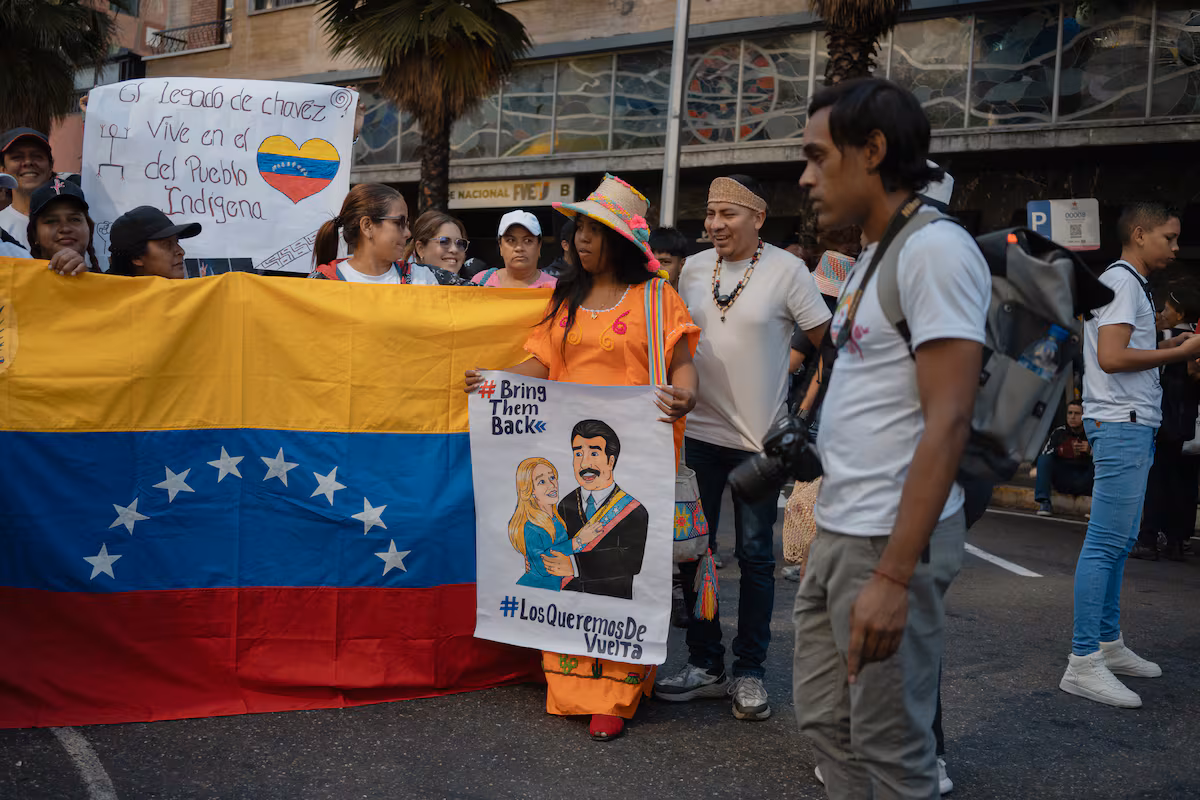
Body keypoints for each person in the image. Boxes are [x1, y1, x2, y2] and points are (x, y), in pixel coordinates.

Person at [791, 78, 990, 799]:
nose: (806, 177)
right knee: (826, 723)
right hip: (842, 529)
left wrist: (894, 577)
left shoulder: (934, 250)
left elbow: (949, 419)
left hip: (887, 541)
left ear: (872, 151)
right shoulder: (876, 253)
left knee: (891, 748)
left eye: (818, 157)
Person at [465, 173, 700, 742]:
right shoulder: (564, 299)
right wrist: (495, 382)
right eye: (579, 230)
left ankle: (616, 690)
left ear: (621, 240)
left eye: (594, 231)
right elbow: (542, 365)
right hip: (568, 457)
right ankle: (569, 683)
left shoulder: (658, 298)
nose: (580, 240)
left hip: (634, 460)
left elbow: (683, 366)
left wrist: (686, 396)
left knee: (619, 573)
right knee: (565, 566)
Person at [656, 174, 830, 722]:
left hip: (760, 445)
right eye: (710, 214)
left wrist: (801, 418)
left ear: (758, 218)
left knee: (755, 559)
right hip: (697, 439)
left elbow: (831, 347)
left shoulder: (788, 271)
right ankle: (706, 665)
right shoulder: (693, 270)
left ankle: (749, 671)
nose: (715, 224)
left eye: (727, 214)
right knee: (695, 553)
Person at [1060, 202, 1200, 709]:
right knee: (1105, 544)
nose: (1176, 248)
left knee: (1118, 543)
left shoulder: (1127, 283)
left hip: (1129, 424)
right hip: (1121, 424)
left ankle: (1107, 643)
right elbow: (1112, 356)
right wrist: (1178, 352)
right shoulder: (1122, 281)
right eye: (1169, 237)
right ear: (1140, 235)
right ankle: (1082, 661)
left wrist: (1167, 336)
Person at [1131, 276, 1200, 562]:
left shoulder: (1167, 339)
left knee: (1158, 478)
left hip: (1166, 418)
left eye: (1167, 308)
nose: (1161, 312)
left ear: (1180, 314)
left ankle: (1148, 539)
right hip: (1188, 421)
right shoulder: (1194, 337)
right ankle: (1177, 541)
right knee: (1183, 482)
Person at [541, 419, 650, 599]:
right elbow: (554, 551)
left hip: (613, 605)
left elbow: (631, 563)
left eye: (594, 453)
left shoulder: (634, 511)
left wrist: (574, 563)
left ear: (611, 460)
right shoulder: (565, 505)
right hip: (569, 605)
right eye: (578, 454)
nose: (584, 464)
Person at [309, 183, 467, 285]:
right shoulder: (322, 283)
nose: (408, 233)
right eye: (399, 223)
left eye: (407, 225)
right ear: (367, 226)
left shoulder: (427, 278)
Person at [1033, 400, 1094, 517]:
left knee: (1099, 464)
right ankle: (1044, 502)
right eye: (1070, 413)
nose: (1072, 417)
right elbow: (1045, 454)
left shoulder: (1092, 433)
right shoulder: (1059, 432)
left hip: (1085, 480)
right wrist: (1061, 450)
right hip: (1064, 479)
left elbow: (1107, 457)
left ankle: (1096, 508)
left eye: (1077, 413)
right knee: (1044, 460)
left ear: (1084, 416)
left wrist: (1090, 450)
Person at [25, 179, 100, 272]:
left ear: (89, 228)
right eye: (51, 221)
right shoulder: (17, 279)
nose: (65, 229)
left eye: (74, 219)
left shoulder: (109, 280)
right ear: (34, 234)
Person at [108, 206, 201, 279]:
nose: (181, 252)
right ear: (136, 257)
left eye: (177, 242)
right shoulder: (109, 297)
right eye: (167, 245)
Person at [0, 128, 55, 249]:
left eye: (37, 156)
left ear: (50, 167)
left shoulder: (71, 227)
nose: (28, 162)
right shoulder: (1, 225)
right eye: (17, 157)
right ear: (3, 169)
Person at [472, 211, 556, 288]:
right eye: (511, 240)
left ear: (539, 246)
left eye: (528, 240)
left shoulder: (556, 288)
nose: (519, 248)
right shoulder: (480, 282)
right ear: (500, 246)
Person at [405, 210, 469, 276]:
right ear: (421, 249)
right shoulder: (402, 281)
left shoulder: (472, 281)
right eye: (444, 241)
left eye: (460, 243)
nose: (454, 249)